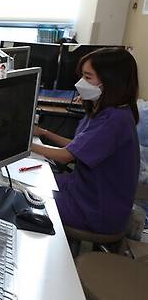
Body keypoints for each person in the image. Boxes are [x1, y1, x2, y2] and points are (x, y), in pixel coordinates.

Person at [32, 48, 139, 235]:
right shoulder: (107, 111)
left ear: (110, 82)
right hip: (83, 189)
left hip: (96, 209)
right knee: (29, 183)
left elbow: (66, 156)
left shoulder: (115, 121)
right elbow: (78, 147)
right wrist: (44, 133)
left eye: (88, 77)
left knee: (26, 199)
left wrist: (24, 145)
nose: (81, 83)